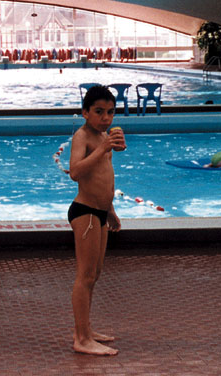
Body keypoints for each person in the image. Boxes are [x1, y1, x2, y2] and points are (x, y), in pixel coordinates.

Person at [67, 84, 124, 356]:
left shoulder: (103, 137)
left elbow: (102, 177)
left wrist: (110, 210)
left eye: (110, 112)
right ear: (85, 112)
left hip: (100, 213)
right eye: (99, 112)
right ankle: (80, 338)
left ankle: (86, 329)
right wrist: (102, 149)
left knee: (95, 274)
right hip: (85, 212)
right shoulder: (83, 136)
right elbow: (76, 172)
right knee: (85, 276)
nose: (105, 118)